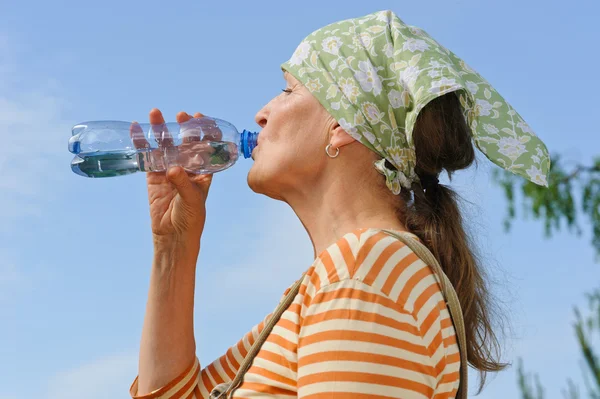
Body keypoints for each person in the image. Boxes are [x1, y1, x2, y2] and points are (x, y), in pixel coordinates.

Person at [128, 10, 550, 399]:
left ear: (342, 126)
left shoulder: (365, 272)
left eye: (287, 91)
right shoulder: (343, 278)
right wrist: (174, 246)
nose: (261, 114)